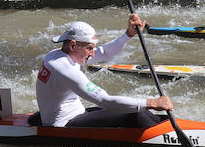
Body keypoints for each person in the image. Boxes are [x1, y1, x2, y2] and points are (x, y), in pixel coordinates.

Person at [33, 15, 172, 128]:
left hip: (77, 114)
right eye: (89, 48)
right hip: (63, 125)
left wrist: (128, 34)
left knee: (141, 112)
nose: (93, 54)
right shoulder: (64, 69)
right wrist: (153, 102)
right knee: (136, 114)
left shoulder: (60, 54)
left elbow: (104, 53)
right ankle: (169, 136)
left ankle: (166, 126)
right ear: (73, 45)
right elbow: (105, 100)